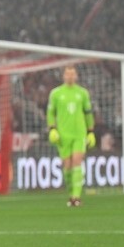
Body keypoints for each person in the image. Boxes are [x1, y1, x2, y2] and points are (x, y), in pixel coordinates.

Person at [47, 66, 95, 207]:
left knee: (77, 161)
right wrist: (52, 129)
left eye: (72, 74)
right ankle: (71, 193)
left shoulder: (83, 93)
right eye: (67, 74)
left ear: (76, 76)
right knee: (67, 167)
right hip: (63, 135)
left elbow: (88, 113)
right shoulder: (56, 93)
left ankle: (76, 197)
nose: (70, 76)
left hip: (79, 133)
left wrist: (91, 131)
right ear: (63, 76)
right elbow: (50, 113)